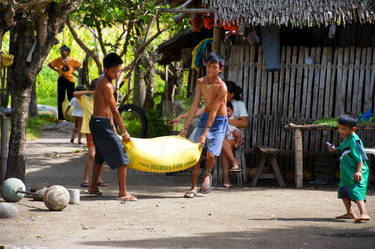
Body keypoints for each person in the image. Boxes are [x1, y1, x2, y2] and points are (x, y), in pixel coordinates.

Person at [88, 53, 136, 201]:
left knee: (101, 155)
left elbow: (107, 108)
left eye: (119, 71)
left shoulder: (104, 81)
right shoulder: (107, 85)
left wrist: (113, 126)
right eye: (114, 71)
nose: (117, 74)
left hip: (98, 122)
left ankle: (93, 187)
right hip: (101, 124)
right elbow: (114, 110)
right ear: (106, 69)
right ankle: (122, 192)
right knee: (122, 157)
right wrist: (124, 131)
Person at [179, 52, 228, 198]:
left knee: (211, 154)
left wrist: (205, 134)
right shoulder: (201, 82)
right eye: (208, 67)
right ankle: (193, 187)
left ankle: (207, 175)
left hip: (219, 120)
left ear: (220, 69)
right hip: (205, 118)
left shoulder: (222, 87)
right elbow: (194, 106)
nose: (211, 70)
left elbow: (214, 111)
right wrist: (185, 127)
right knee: (196, 152)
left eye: (214, 67)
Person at [327, 113, 370, 223]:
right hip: (347, 172)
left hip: (356, 171)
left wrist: (359, 172)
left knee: (355, 190)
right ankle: (350, 212)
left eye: (344, 129)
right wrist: (335, 149)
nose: (341, 131)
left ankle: (364, 213)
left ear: (353, 129)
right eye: (339, 128)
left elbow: (360, 158)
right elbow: (343, 150)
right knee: (343, 190)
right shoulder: (347, 139)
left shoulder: (354, 141)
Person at [73, 79, 107, 189]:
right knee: (92, 154)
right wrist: (91, 92)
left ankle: (98, 179)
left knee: (101, 155)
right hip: (89, 131)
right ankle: (85, 179)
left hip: (101, 131)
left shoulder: (103, 101)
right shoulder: (85, 100)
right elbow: (74, 93)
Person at [221, 81, 248, 188]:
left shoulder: (239, 104)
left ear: (232, 94)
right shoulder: (219, 102)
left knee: (226, 146)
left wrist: (226, 121)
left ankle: (226, 179)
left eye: (225, 92)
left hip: (235, 135)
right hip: (222, 135)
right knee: (225, 143)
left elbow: (244, 123)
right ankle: (234, 163)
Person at [48, 45, 81, 123]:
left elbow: (79, 65)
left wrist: (73, 70)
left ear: (67, 52)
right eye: (60, 51)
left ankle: (74, 116)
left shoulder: (72, 60)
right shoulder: (58, 60)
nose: (61, 53)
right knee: (60, 99)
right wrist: (57, 71)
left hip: (70, 81)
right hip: (61, 80)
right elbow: (49, 65)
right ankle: (61, 118)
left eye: (63, 51)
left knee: (72, 98)